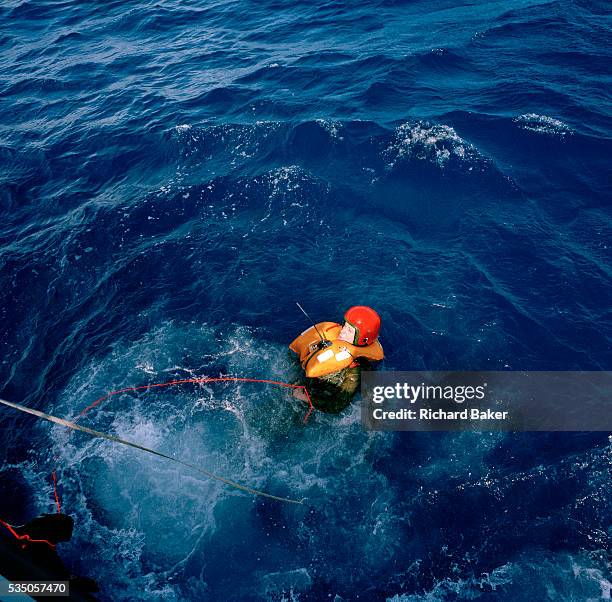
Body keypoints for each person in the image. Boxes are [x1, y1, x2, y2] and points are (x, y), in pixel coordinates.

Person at [290, 306, 384, 412]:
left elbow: (336, 406)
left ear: (363, 338)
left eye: (349, 331)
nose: (342, 331)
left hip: (320, 401)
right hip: (310, 385)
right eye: (344, 325)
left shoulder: (355, 370)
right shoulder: (335, 342)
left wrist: (306, 398)